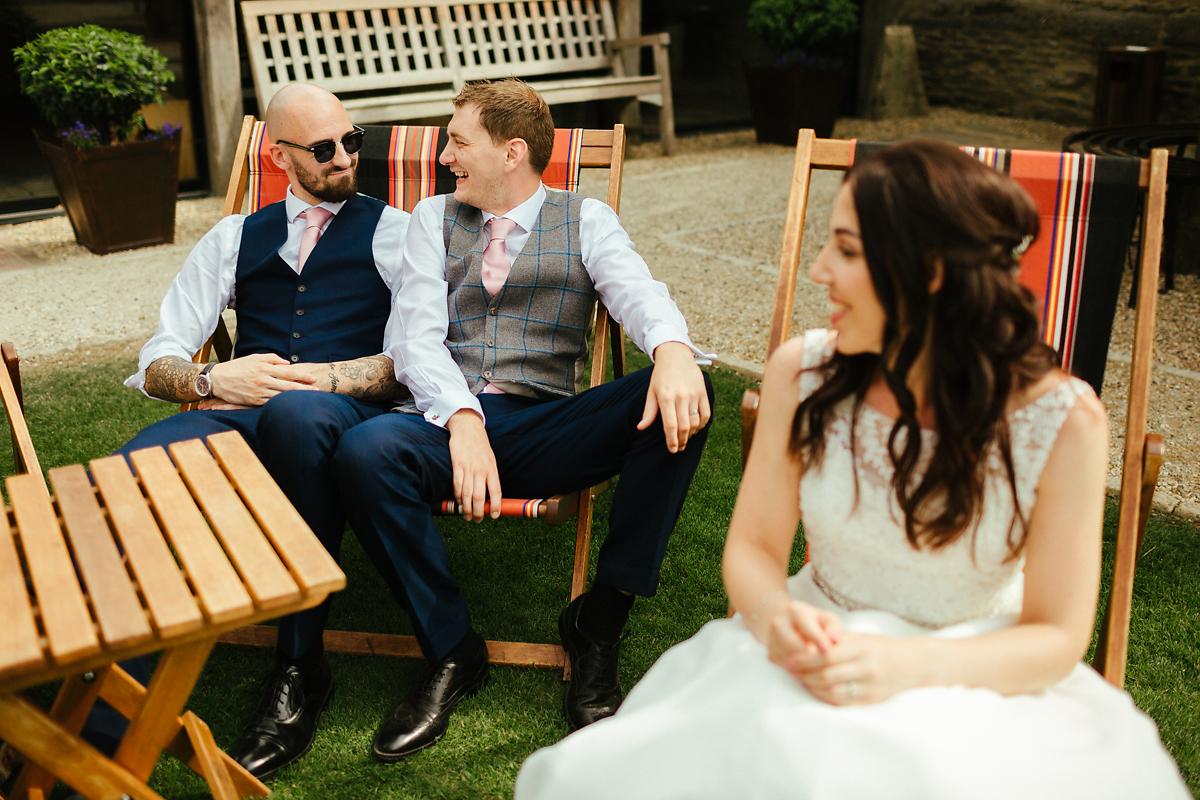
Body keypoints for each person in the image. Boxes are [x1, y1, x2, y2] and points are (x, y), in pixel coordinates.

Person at [514, 140, 1189, 798]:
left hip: (982, 678)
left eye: (846, 249)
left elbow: (1059, 636)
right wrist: (777, 618)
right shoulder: (802, 373)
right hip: (807, 648)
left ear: (927, 274)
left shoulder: (1064, 421)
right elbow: (752, 550)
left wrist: (907, 667)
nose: (817, 271)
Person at [331, 78, 714, 761]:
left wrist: (674, 352)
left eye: (457, 142)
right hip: (444, 426)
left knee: (679, 394)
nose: (445, 158)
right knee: (365, 449)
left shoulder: (585, 220)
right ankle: (452, 650)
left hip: (544, 428)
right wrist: (462, 421)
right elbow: (417, 339)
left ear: (512, 152)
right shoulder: (432, 218)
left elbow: (636, 290)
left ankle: (599, 621)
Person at [104, 83, 411, 780]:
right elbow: (159, 358)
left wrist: (324, 379)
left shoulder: (397, 231)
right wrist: (215, 381)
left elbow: (408, 364)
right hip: (237, 417)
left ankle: (299, 668)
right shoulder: (234, 236)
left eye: (352, 141)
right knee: (130, 475)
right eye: (324, 147)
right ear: (278, 155)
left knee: (300, 417)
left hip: (345, 422)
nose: (344, 158)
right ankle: (99, 728)